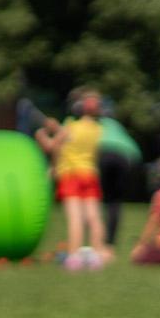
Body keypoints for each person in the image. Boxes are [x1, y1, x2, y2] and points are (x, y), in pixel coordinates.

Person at [36, 89, 108, 271]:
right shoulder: (97, 129)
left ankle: (74, 256)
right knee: (93, 216)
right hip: (90, 174)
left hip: (71, 174)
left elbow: (52, 146)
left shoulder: (69, 126)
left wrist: (42, 134)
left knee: (75, 217)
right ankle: (96, 254)